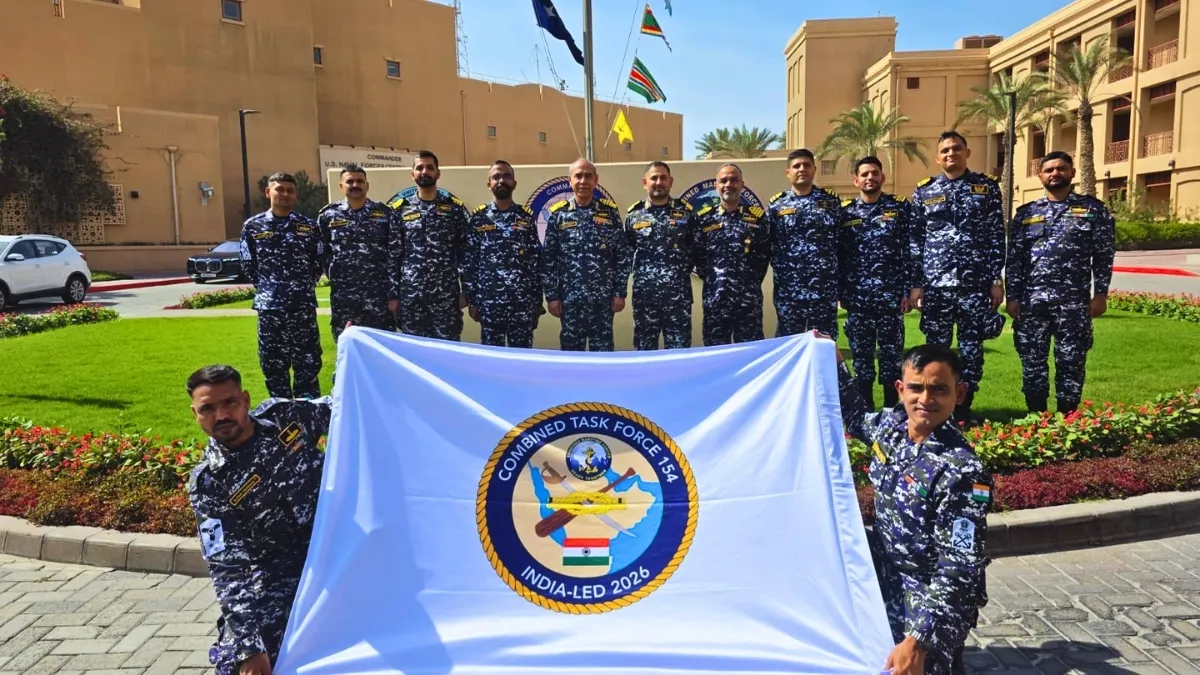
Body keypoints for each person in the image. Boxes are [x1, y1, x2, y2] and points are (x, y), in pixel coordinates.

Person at [831, 340, 992, 675]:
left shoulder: (963, 472)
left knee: (909, 664)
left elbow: (960, 566)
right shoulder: (891, 429)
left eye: (939, 389)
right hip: (883, 572)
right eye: (916, 388)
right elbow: (855, 417)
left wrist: (918, 638)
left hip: (930, 592)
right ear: (900, 389)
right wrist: (834, 363)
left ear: (959, 394)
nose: (925, 399)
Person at [185, 364, 332, 675]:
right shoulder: (209, 483)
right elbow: (227, 568)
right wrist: (249, 648)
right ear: (195, 413)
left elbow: (347, 406)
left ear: (246, 399)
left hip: (339, 539)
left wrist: (359, 355)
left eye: (230, 402)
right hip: (278, 569)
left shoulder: (285, 417)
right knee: (236, 660)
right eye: (207, 409)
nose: (221, 415)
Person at [1006, 151, 1115, 415]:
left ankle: (1068, 418)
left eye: (1061, 168)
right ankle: (1036, 417)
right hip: (1032, 303)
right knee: (1032, 364)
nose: (1055, 173)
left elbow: (1103, 255)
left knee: (1071, 362)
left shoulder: (1092, 210)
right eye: (1049, 170)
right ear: (1040, 176)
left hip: (1073, 304)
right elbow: (1015, 260)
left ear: (1072, 173)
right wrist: (1013, 297)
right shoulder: (1026, 214)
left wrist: (1101, 294)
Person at [909, 131, 1006, 424]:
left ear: (967, 152)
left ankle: (964, 410)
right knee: (936, 351)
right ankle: (938, 410)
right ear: (938, 158)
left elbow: (995, 236)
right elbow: (915, 240)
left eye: (956, 149)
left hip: (974, 285)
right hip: (936, 287)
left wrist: (996, 280)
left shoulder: (986, 188)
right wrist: (916, 284)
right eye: (945, 150)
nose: (951, 154)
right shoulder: (924, 191)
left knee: (971, 350)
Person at [239, 172, 325, 399]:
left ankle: (308, 413)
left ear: (295, 195)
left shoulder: (308, 226)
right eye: (280, 189)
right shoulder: (253, 226)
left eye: (290, 190)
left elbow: (318, 262)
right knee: (273, 365)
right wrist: (270, 288)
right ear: (268, 192)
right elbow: (248, 263)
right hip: (270, 309)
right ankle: (280, 412)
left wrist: (301, 286)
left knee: (308, 363)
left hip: (302, 307)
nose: (285, 194)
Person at [841, 156, 915, 411]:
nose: (870, 177)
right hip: (858, 299)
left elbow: (909, 251)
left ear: (882, 177)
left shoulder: (899, 208)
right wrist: (841, 291)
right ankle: (866, 411)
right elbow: (840, 255)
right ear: (856, 180)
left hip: (890, 297)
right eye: (864, 174)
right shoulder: (846, 212)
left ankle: (891, 411)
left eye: (874, 173)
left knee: (891, 359)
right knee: (861, 360)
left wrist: (907, 290)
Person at [540, 158, 630, 351]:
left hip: (603, 302)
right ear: (570, 181)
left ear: (596, 180)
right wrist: (552, 297)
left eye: (588, 176)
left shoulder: (609, 214)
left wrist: (619, 293)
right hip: (570, 302)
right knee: (572, 356)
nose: (583, 181)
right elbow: (549, 260)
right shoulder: (558, 215)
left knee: (603, 355)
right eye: (578, 176)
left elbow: (622, 256)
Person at [316, 165, 404, 344]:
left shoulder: (385, 214)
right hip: (344, 299)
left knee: (381, 348)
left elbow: (395, 254)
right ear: (341, 186)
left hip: (379, 298)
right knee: (348, 347)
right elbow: (322, 253)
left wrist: (394, 293)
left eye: (360, 181)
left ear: (367, 185)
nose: (355, 185)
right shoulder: (328, 216)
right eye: (350, 181)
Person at [388, 150, 470, 341]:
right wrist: (393, 294)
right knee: (414, 351)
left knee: (448, 349)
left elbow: (465, 253)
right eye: (420, 168)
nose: (425, 171)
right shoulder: (400, 210)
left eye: (430, 168)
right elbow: (393, 255)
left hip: (446, 297)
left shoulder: (453, 209)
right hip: (412, 296)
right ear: (413, 174)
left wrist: (466, 290)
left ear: (438, 173)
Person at [767, 148, 848, 337]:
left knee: (824, 340)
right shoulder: (776, 205)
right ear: (788, 173)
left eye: (806, 165)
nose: (802, 169)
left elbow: (842, 243)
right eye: (797, 166)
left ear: (814, 169)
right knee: (788, 341)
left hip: (823, 288)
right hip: (789, 288)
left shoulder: (831, 202)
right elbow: (769, 243)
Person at [463, 160, 543, 348]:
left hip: (522, 303)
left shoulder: (526, 218)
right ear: (489, 184)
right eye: (496, 177)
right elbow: (470, 263)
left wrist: (537, 301)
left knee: (522, 356)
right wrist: (472, 300)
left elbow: (535, 262)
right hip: (489, 303)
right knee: (491, 357)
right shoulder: (479, 219)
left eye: (506, 176)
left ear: (514, 183)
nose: (501, 180)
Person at [692, 163, 771, 346]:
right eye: (724, 180)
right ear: (716, 186)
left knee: (750, 352)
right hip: (715, 300)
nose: (729, 184)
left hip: (748, 302)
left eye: (734, 180)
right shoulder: (703, 219)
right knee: (716, 353)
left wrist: (747, 281)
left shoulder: (758, 219)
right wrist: (715, 280)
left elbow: (763, 257)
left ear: (742, 185)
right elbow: (698, 258)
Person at [624, 161, 696, 350]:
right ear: (645, 182)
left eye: (663, 178)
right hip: (645, 299)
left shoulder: (686, 214)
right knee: (644, 352)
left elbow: (696, 250)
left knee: (679, 353)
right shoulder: (633, 215)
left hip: (678, 299)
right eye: (654, 178)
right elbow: (626, 254)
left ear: (670, 182)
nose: (658, 182)